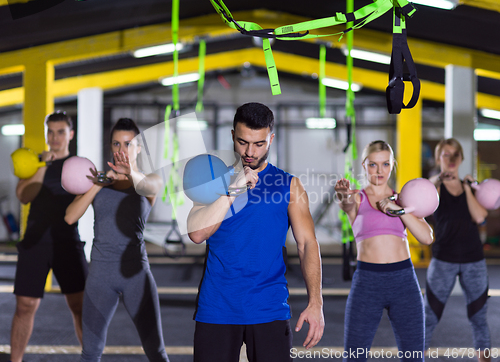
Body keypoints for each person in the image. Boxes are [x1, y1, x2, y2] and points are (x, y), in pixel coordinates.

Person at [186, 102, 324, 362]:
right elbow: (197, 233)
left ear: (271, 138)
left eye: (259, 144)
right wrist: (233, 190)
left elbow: (307, 244)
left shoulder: (289, 185)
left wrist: (316, 302)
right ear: (232, 136)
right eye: (242, 142)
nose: (250, 151)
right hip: (217, 307)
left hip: (269, 307)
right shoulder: (213, 179)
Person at [64, 118, 169, 362]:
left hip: (136, 277)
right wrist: (98, 185)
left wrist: (129, 172)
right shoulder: (99, 181)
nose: (121, 150)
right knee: (90, 353)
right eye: (116, 144)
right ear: (111, 147)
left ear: (138, 148)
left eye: (128, 144)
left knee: (156, 352)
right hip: (100, 276)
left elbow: (149, 186)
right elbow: (70, 217)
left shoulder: (149, 181)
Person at [335, 140, 433, 362]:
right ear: (364, 165)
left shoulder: (404, 200)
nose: (379, 171)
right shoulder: (357, 198)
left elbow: (427, 237)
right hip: (367, 282)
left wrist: (398, 210)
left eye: (385, 164)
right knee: (354, 357)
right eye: (373, 165)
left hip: (404, 283)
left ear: (392, 165)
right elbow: (345, 203)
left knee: (413, 357)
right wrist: (342, 194)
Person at [10, 111, 88, 362]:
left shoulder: (80, 165)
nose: (55, 137)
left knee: (80, 308)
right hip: (36, 243)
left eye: (61, 132)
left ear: (71, 135)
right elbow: (24, 195)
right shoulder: (34, 164)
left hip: (67, 242)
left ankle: (91, 358)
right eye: (51, 132)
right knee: (25, 306)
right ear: (46, 134)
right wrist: (44, 164)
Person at [425, 138, 490, 362]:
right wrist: (438, 179)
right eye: (446, 154)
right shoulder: (433, 188)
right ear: (438, 158)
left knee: (479, 318)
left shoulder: (469, 186)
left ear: (461, 158)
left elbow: (480, 216)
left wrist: (467, 188)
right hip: (443, 259)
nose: (451, 159)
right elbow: (419, 191)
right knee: (429, 317)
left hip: (474, 260)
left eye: (455, 155)